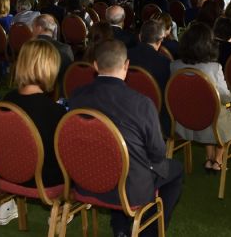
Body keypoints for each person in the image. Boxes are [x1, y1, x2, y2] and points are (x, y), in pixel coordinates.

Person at [69, 39, 183, 237]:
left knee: (130, 161)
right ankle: (149, 231)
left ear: (95, 65)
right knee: (174, 170)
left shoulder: (77, 96)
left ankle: (121, 228)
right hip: (128, 189)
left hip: (85, 180)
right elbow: (157, 152)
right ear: (126, 66)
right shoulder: (142, 104)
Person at [170, 23, 231, 172]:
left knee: (209, 107)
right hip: (210, 121)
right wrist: (230, 102)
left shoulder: (174, 66)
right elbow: (225, 96)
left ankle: (209, 158)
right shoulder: (214, 68)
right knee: (224, 109)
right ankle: (218, 161)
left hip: (184, 120)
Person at [4, 39, 66, 187]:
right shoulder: (54, 111)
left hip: (7, 172)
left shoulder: (6, 101)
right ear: (50, 69)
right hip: (42, 179)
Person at [128, 20, 172, 135]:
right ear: (160, 41)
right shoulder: (165, 63)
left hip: (126, 110)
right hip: (157, 118)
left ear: (140, 36)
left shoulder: (124, 56)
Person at [31, 14, 73, 88]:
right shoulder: (65, 48)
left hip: (35, 89)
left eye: (33, 28)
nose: (32, 31)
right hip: (60, 89)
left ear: (39, 28)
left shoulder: (29, 48)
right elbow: (69, 74)